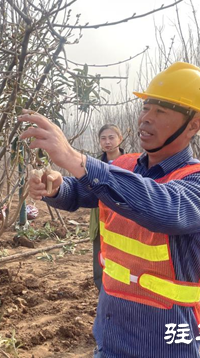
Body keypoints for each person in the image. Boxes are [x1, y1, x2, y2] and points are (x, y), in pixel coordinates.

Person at [19, 62, 200, 358]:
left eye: (161, 112)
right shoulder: (123, 167)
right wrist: (57, 187)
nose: (146, 118)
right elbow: (83, 191)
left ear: (194, 126)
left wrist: (75, 158)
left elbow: (162, 207)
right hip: (111, 333)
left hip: (164, 343)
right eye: (146, 108)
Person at [89, 125, 125, 292]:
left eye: (111, 137)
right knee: (101, 258)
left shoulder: (133, 163)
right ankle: (103, 291)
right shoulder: (93, 164)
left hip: (124, 220)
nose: (107, 142)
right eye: (103, 138)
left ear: (120, 139)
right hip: (101, 219)